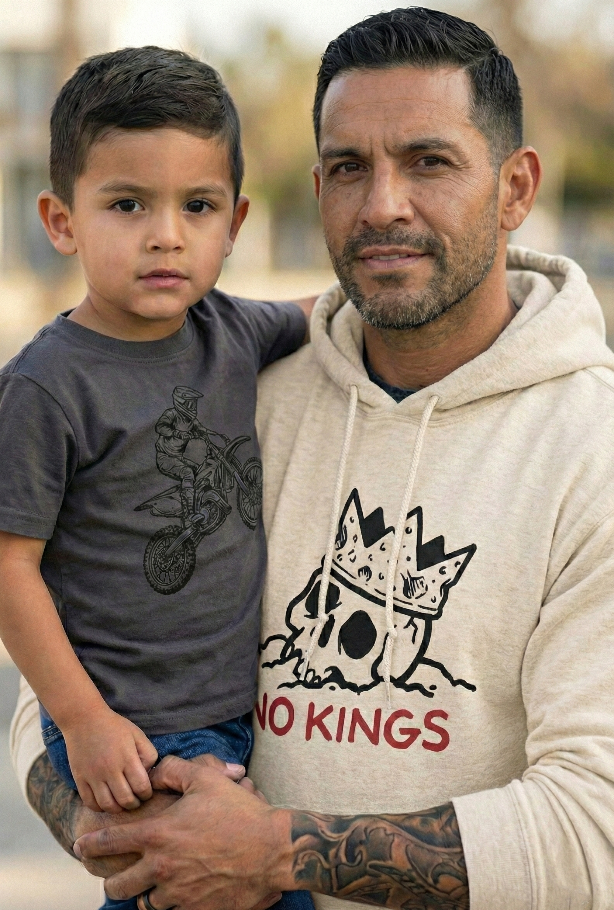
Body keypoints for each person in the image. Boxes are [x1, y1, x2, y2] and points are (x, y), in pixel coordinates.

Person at [11, 7, 614, 910]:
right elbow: (65, 676)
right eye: (346, 168)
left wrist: (272, 855)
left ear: (516, 187)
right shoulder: (227, 390)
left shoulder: (590, 449)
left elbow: (590, 835)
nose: (382, 206)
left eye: (430, 162)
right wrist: (131, 833)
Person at [0, 46, 315, 910]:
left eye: (198, 206)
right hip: (128, 729)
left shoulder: (230, 331)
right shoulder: (46, 386)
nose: (167, 233)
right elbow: (7, 566)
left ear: (235, 224)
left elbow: (331, 313)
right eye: (128, 204)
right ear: (61, 222)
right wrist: (82, 721)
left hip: (242, 721)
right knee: (204, 890)